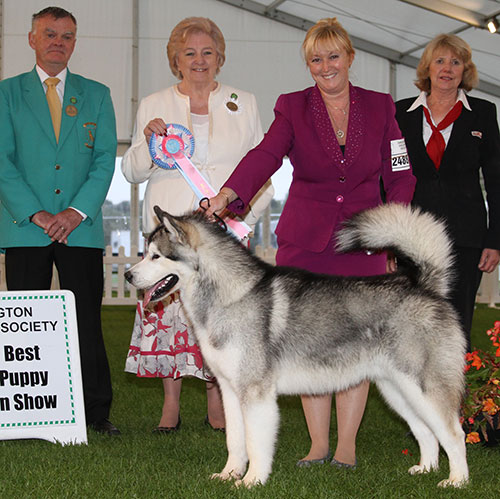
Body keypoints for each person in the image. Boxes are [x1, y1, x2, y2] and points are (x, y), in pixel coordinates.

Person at [204, 17, 416, 468]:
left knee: (359, 341)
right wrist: (229, 192)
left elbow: (400, 173)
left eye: (333, 56)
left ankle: (346, 447)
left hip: (364, 243)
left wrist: (394, 234)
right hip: (305, 244)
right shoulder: (292, 106)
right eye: (315, 60)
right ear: (308, 64)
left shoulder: (381, 107)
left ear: (350, 57)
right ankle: (318, 444)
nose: (325, 67)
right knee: (306, 344)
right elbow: (265, 154)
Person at [122, 17, 273, 433]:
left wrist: (243, 219)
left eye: (207, 52)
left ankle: (218, 402)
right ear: (175, 59)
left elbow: (262, 170)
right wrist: (149, 144)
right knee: (167, 311)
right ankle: (170, 405)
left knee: (222, 317)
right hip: (170, 235)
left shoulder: (244, 102)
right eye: (189, 52)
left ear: (220, 57)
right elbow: (133, 172)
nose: (199, 60)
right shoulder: (153, 103)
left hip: (223, 234)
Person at [0, 7, 119, 435]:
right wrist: (38, 213)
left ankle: (94, 412)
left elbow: (106, 160)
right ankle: (28, 411)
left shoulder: (98, 94)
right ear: (31, 39)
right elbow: (2, 162)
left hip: (80, 229)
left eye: (67, 36)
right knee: (28, 320)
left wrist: (74, 212)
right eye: (49, 34)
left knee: (87, 318)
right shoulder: (5, 93)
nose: (58, 42)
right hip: (24, 227)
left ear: (75, 42)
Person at [395, 34, 500, 352]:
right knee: (410, 325)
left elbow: (495, 180)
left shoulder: (483, 112)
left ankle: (452, 401)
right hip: (410, 236)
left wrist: (495, 240)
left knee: (456, 326)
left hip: (465, 238)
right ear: (427, 68)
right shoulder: (400, 114)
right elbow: (389, 178)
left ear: (465, 70)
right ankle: (413, 399)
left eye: (456, 62)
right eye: (440, 61)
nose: (447, 68)